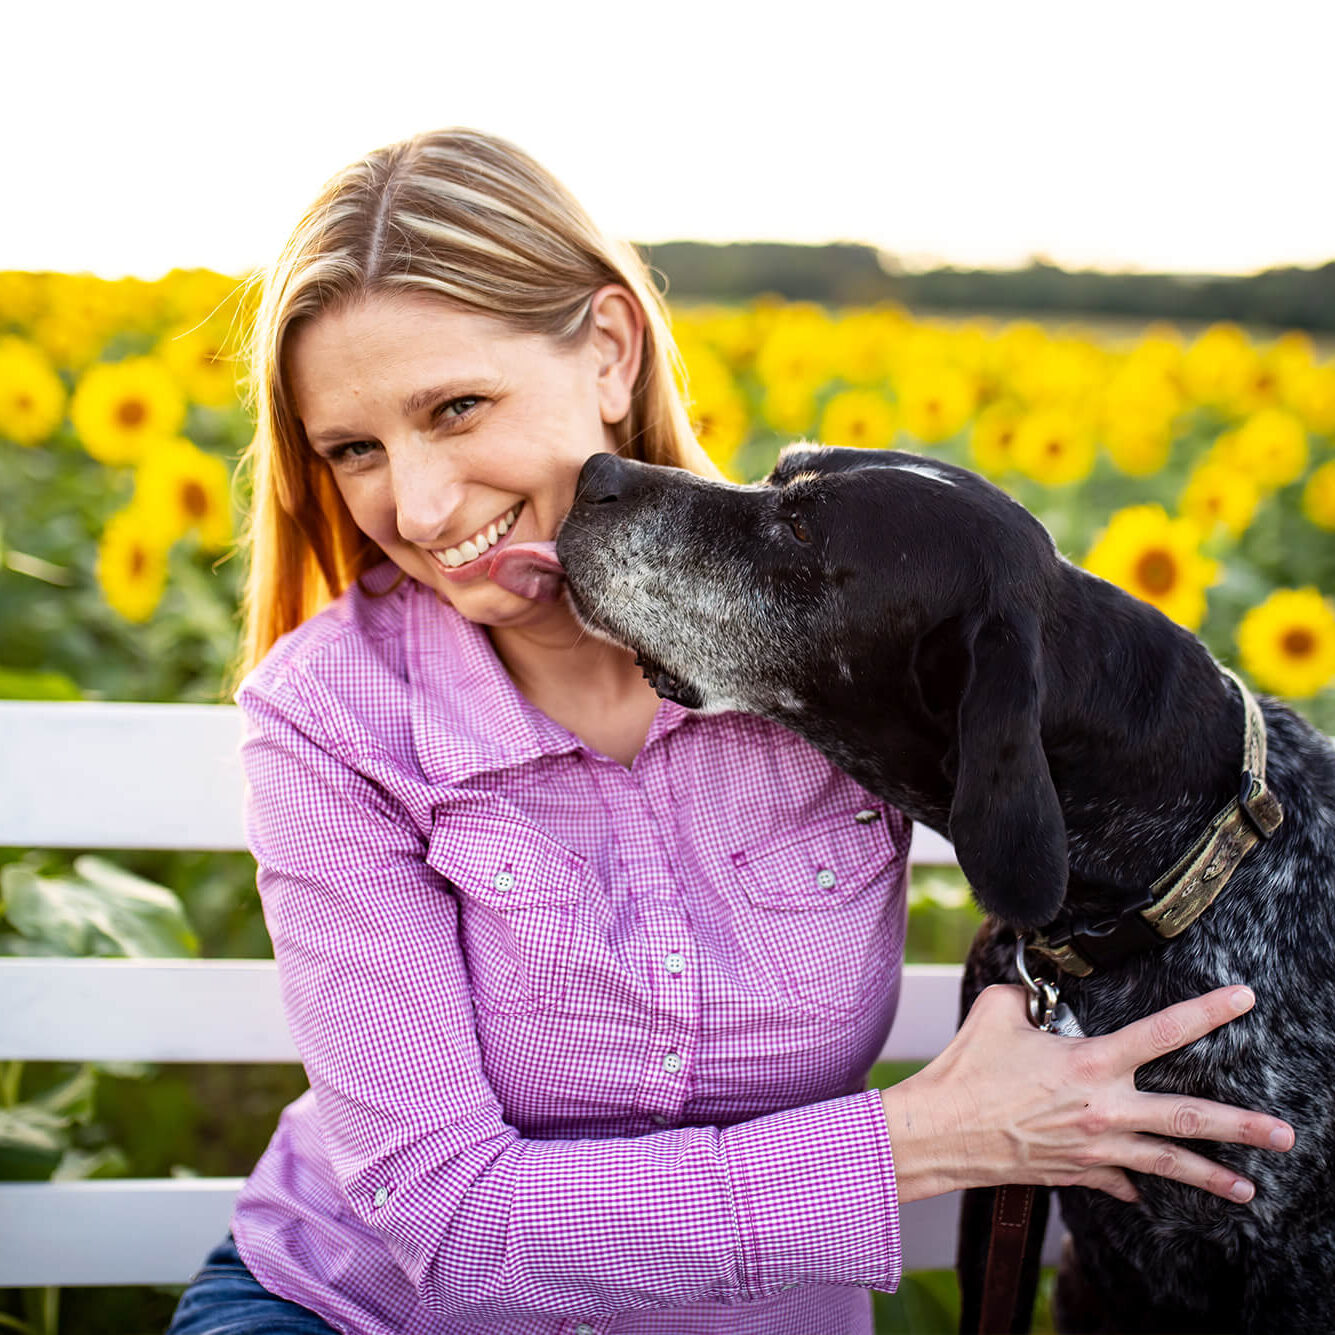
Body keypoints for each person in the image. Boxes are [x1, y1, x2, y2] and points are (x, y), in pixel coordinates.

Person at [164, 127, 1294, 1335]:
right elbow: (453, 1232)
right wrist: (919, 1144)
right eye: (354, 450)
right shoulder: (329, 717)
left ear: (607, 350)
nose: (424, 505)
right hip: (360, 1312)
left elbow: (1188, 799)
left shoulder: (844, 622)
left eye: (458, 406)